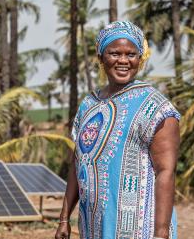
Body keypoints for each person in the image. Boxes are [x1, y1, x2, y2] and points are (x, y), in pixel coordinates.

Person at [55, 21, 180, 239]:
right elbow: (78, 163)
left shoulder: (155, 106)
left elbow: (165, 172)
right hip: (93, 226)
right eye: (114, 53)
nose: (123, 61)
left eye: (131, 54)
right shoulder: (89, 104)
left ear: (140, 59)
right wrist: (64, 218)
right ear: (101, 57)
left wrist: (161, 234)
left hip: (138, 229)